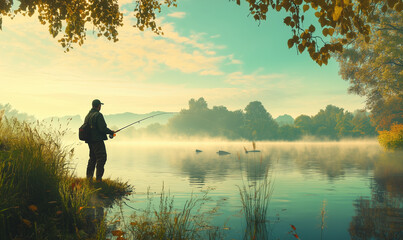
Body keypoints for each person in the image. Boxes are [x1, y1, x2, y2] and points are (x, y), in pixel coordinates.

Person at [84, 99, 115, 182]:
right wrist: (111, 132)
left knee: (92, 158)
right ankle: (98, 179)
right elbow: (102, 128)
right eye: (100, 105)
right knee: (101, 158)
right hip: (97, 140)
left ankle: (89, 178)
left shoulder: (88, 115)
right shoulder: (98, 115)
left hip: (90, 141)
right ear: (99, 106)